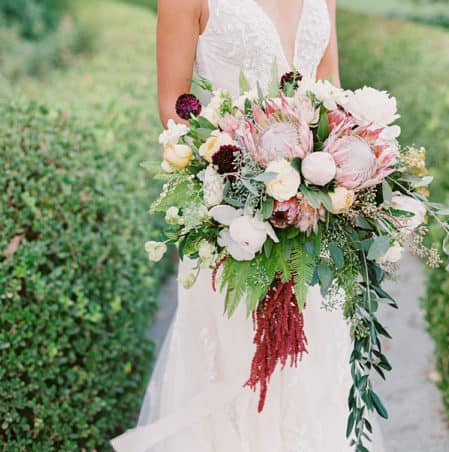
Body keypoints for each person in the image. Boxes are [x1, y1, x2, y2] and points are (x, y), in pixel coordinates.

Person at [111, 0, 384, 450]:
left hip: (313, 218)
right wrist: (244, 187)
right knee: (237, 369)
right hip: (232, 222)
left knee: (313, 364)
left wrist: (343, 170)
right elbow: (173, 107)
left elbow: (330, 89)